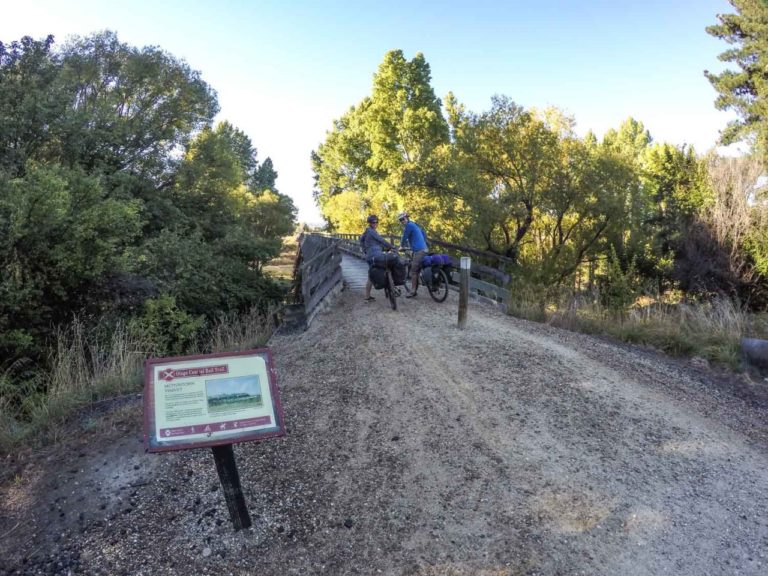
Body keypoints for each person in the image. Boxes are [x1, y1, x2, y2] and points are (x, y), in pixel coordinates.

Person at [360, 214, 395, 302]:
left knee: (371, 276)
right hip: (375, 256)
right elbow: (381, 240)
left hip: (369, 256)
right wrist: (392, 246)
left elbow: (361, 240)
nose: (375, 223)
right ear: (370, 223)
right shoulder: (372, 232)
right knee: (387, 265)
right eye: (373, 222)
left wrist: (365, 250)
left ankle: (367, 297)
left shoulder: (366, 232)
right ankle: (390, 286)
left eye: (376, 222)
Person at [397, 211, 428, 297]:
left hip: (419, 251)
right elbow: (423, 234)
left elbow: (404, 237)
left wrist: (401, 247)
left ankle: (413, 291)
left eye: (403, 219)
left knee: (414, 271)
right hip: (424, 249)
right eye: (400, 220)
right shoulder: (414, 224)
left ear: (407, 218)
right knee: (419, 268)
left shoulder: (409, 226)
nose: (402, 221)